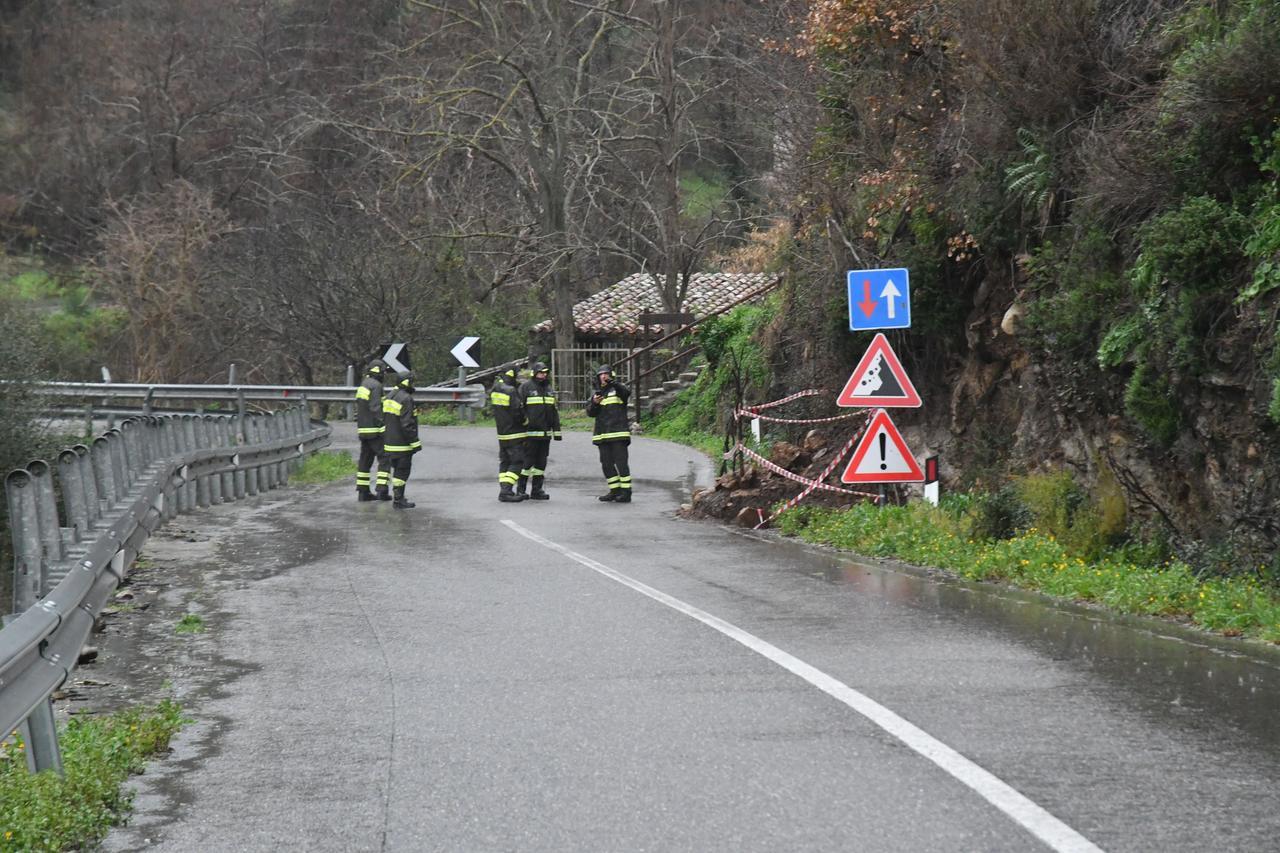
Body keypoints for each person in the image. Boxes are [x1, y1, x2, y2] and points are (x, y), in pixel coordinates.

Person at [585, 364, 631, 503]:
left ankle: (626, 493)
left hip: (618, 434)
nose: (603, 376)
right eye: (601, 374)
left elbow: (626, 393)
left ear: (612, 374)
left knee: (621, 463)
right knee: (606, 464)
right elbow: (590, 413)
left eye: (606, 374)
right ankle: (614, 491)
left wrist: (613, 383)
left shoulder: (618, 389)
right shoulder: (597, 393)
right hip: (602, 435)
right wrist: (594, 403)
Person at [517, 361, 562, 500]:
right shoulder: (526, 387)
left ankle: (537, 490)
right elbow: (519, 409)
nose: (543, 375)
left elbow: (553, 412)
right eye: (540, 372)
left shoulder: (548, 389)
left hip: (545, 435)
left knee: (541, 464)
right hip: (530, 434)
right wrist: (523, 426)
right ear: (534, 373)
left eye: (545, 373)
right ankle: (521, 490)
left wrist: (557, 431)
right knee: (527, 463)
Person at [380, 371, 422, 509]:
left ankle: (398, 498)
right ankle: (399, 499)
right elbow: (407, 424)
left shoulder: (390, 396)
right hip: (402, 444)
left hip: (389, 443)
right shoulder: (406, 399)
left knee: (397, 470)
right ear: (407, 382)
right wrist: (415, 443)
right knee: (402, 471)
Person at [354, 359, 392, 501]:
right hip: (375, 431)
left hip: (363, 430)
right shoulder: (376, 386)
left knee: (365, 460)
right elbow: (376, 408)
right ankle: (382, 491)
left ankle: (363, 492)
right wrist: (383, 427)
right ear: (380, 371)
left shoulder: (364, 384)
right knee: (385, 458)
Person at [490, 367, 527, 503]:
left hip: (502, 433)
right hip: (514, 433)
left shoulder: (495, 389)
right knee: (517, 461)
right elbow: (517, 411)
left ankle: (505, 490)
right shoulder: (511, 391)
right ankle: (506, 490)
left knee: (505, 461)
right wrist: (525, 420)